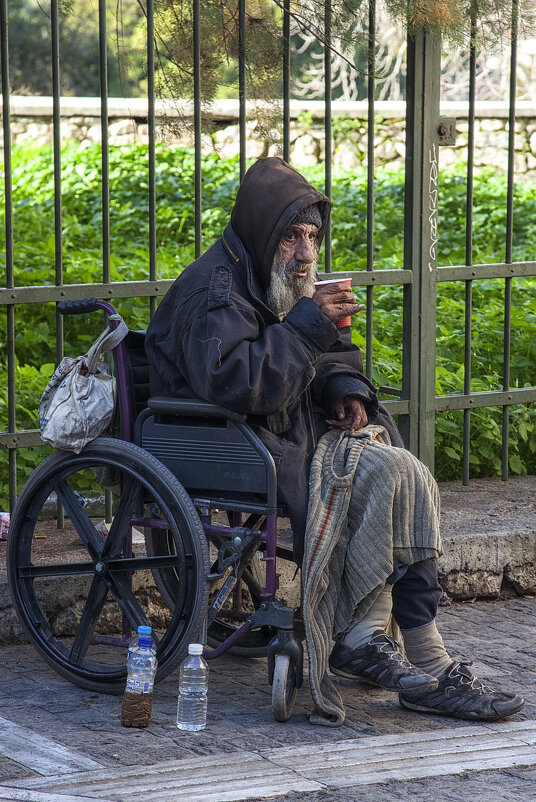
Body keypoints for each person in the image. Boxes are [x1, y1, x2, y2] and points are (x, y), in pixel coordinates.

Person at [146, 156, 523, 724]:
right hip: (236, 440)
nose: (304, 252)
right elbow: (237, 382)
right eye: (292, 236)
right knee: (386, 472)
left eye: (312, 236)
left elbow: (327, 356)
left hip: (290, 432)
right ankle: (364, 638)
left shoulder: (278, 279)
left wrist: (343, 387)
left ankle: (420, 653)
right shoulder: (214, 292)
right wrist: (304, 328)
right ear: (262, 230)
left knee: (406, 469)